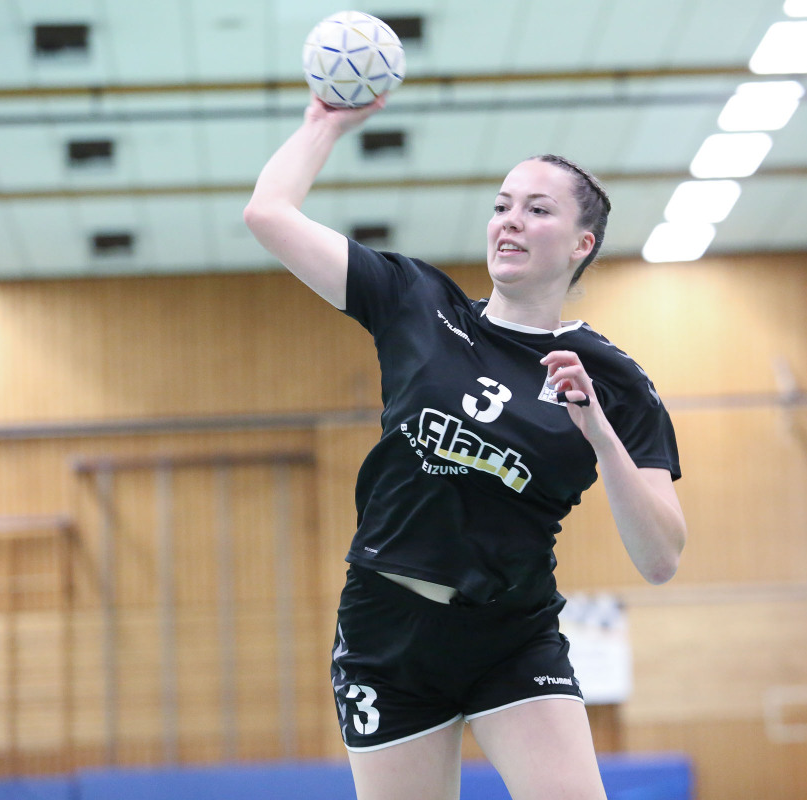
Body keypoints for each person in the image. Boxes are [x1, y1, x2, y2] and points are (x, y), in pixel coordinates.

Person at [243, 92, 687, 800]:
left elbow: (660, 558)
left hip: (509, 631)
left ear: (582, 244)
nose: (511, 220)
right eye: (502, 205)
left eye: (538, 209)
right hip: (387, 630)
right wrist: (322, 125)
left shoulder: (614, 381)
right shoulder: (418, 303)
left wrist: (601, 437)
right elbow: (268, 214)